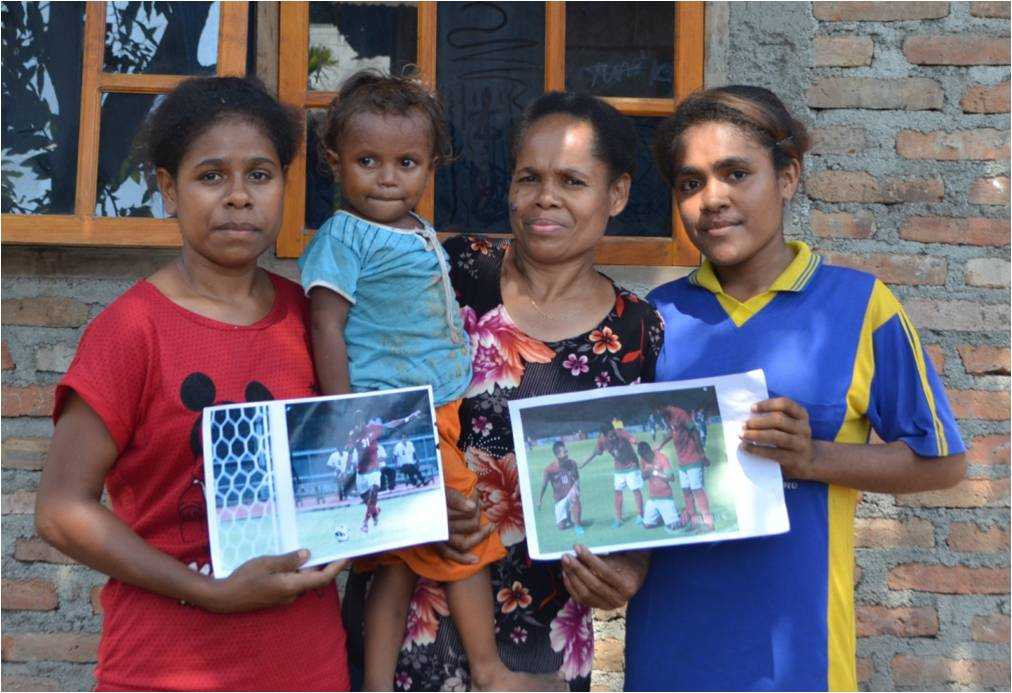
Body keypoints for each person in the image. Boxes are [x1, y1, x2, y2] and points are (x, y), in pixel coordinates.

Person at [624, 85, 966, 691]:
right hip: (668, 651)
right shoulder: (654, 316)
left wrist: (813, 458)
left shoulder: (862, 306)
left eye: (736, 173)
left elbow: (942, 463)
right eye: (690, 182)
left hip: (802, 658)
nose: (713, 199)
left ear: (787, 176)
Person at [33, 77, 349, 691]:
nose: (239, 196)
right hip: (163, 668)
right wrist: (209, 592)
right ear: (169, 189)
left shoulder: (314, 322)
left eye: (260, 175)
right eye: (211, 176)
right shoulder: (132, 330)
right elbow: (61, 510)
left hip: (306, 664)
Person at [342, 91, 664, 691]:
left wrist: (628, 567)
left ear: (617, 194)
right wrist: (411, 497)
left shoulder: (636, 331)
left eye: (572, 181)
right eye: (529, 178)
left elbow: (643, 484)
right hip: (408, 626)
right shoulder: (450, 272)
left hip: (540, 643)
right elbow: (362, 389)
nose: (546, 197)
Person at [298, 70, 556, 692]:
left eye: (406, 162)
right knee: (463, 535)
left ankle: (375, 685)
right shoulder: (344, 236)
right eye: (367, 161)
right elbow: (326, 324)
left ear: (432, 166)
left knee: (395, 560)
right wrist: (347, 418)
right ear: (334, 162)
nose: (387, 177)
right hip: (395, 417)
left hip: (434, 407)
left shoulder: (414, 228)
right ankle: (490, 671)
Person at [348, 409, 418, 533]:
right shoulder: (353, 434)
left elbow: (391, 424)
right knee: (367, 500)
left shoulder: (372, 428)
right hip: (361, 472)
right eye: (356, 420)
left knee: (374, 492)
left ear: (364, 420)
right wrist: (348, 464)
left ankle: (365, 523)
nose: (359, 422)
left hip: (374, 469)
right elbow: (350, 449)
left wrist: (407, 418)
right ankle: (375, 512)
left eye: (360, 419)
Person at [655, 403, 714, 530]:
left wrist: (702, 454)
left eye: (659, 410)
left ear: (664, 406)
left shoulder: (680, 414)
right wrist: (660, 445)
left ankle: (709, 522)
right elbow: (671, 432)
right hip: (682, 462)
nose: (659, 415)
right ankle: (694, 522)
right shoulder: (667, 417)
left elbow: (695, 431)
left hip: (693, 457)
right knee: (686, 492)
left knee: (697, 490)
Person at [582, 422, 645, 527]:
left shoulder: (621, 433)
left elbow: (633, 440)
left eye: (614, 434)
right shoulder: (602, 441)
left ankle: (641, 515)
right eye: (610, 436)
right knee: (617, 493)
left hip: (632, 466)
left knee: (635, 490)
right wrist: (583, 464)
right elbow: (595, 452)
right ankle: (618, 519)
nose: (613, 437)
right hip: (619, 469)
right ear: (604, 436)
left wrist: (635, 442)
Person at [537, 440, 588, 535]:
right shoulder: (549, 469)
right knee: (561, 527)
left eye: (566, 451)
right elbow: (544, 485)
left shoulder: (572, 463)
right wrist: (540, 500)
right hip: (560, 499)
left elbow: (577, 478)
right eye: (564, 452)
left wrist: (576, 488)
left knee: (574, 495)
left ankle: (578, 525)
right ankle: (567, 516)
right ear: (557, 455)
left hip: (570, 494)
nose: (567, 454)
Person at [636, 442, 682, 532]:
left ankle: (679, 515)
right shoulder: (643, 460)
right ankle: (662, 516)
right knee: (647, 525)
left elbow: (671, 477)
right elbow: (643, 477)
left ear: (649, 451)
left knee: (674, 526)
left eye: (645, 455)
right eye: (642, 456)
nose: (645, 458)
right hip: (653, 498)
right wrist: (645, 474)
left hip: (665, 497)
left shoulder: (662, 458)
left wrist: (655, 472)